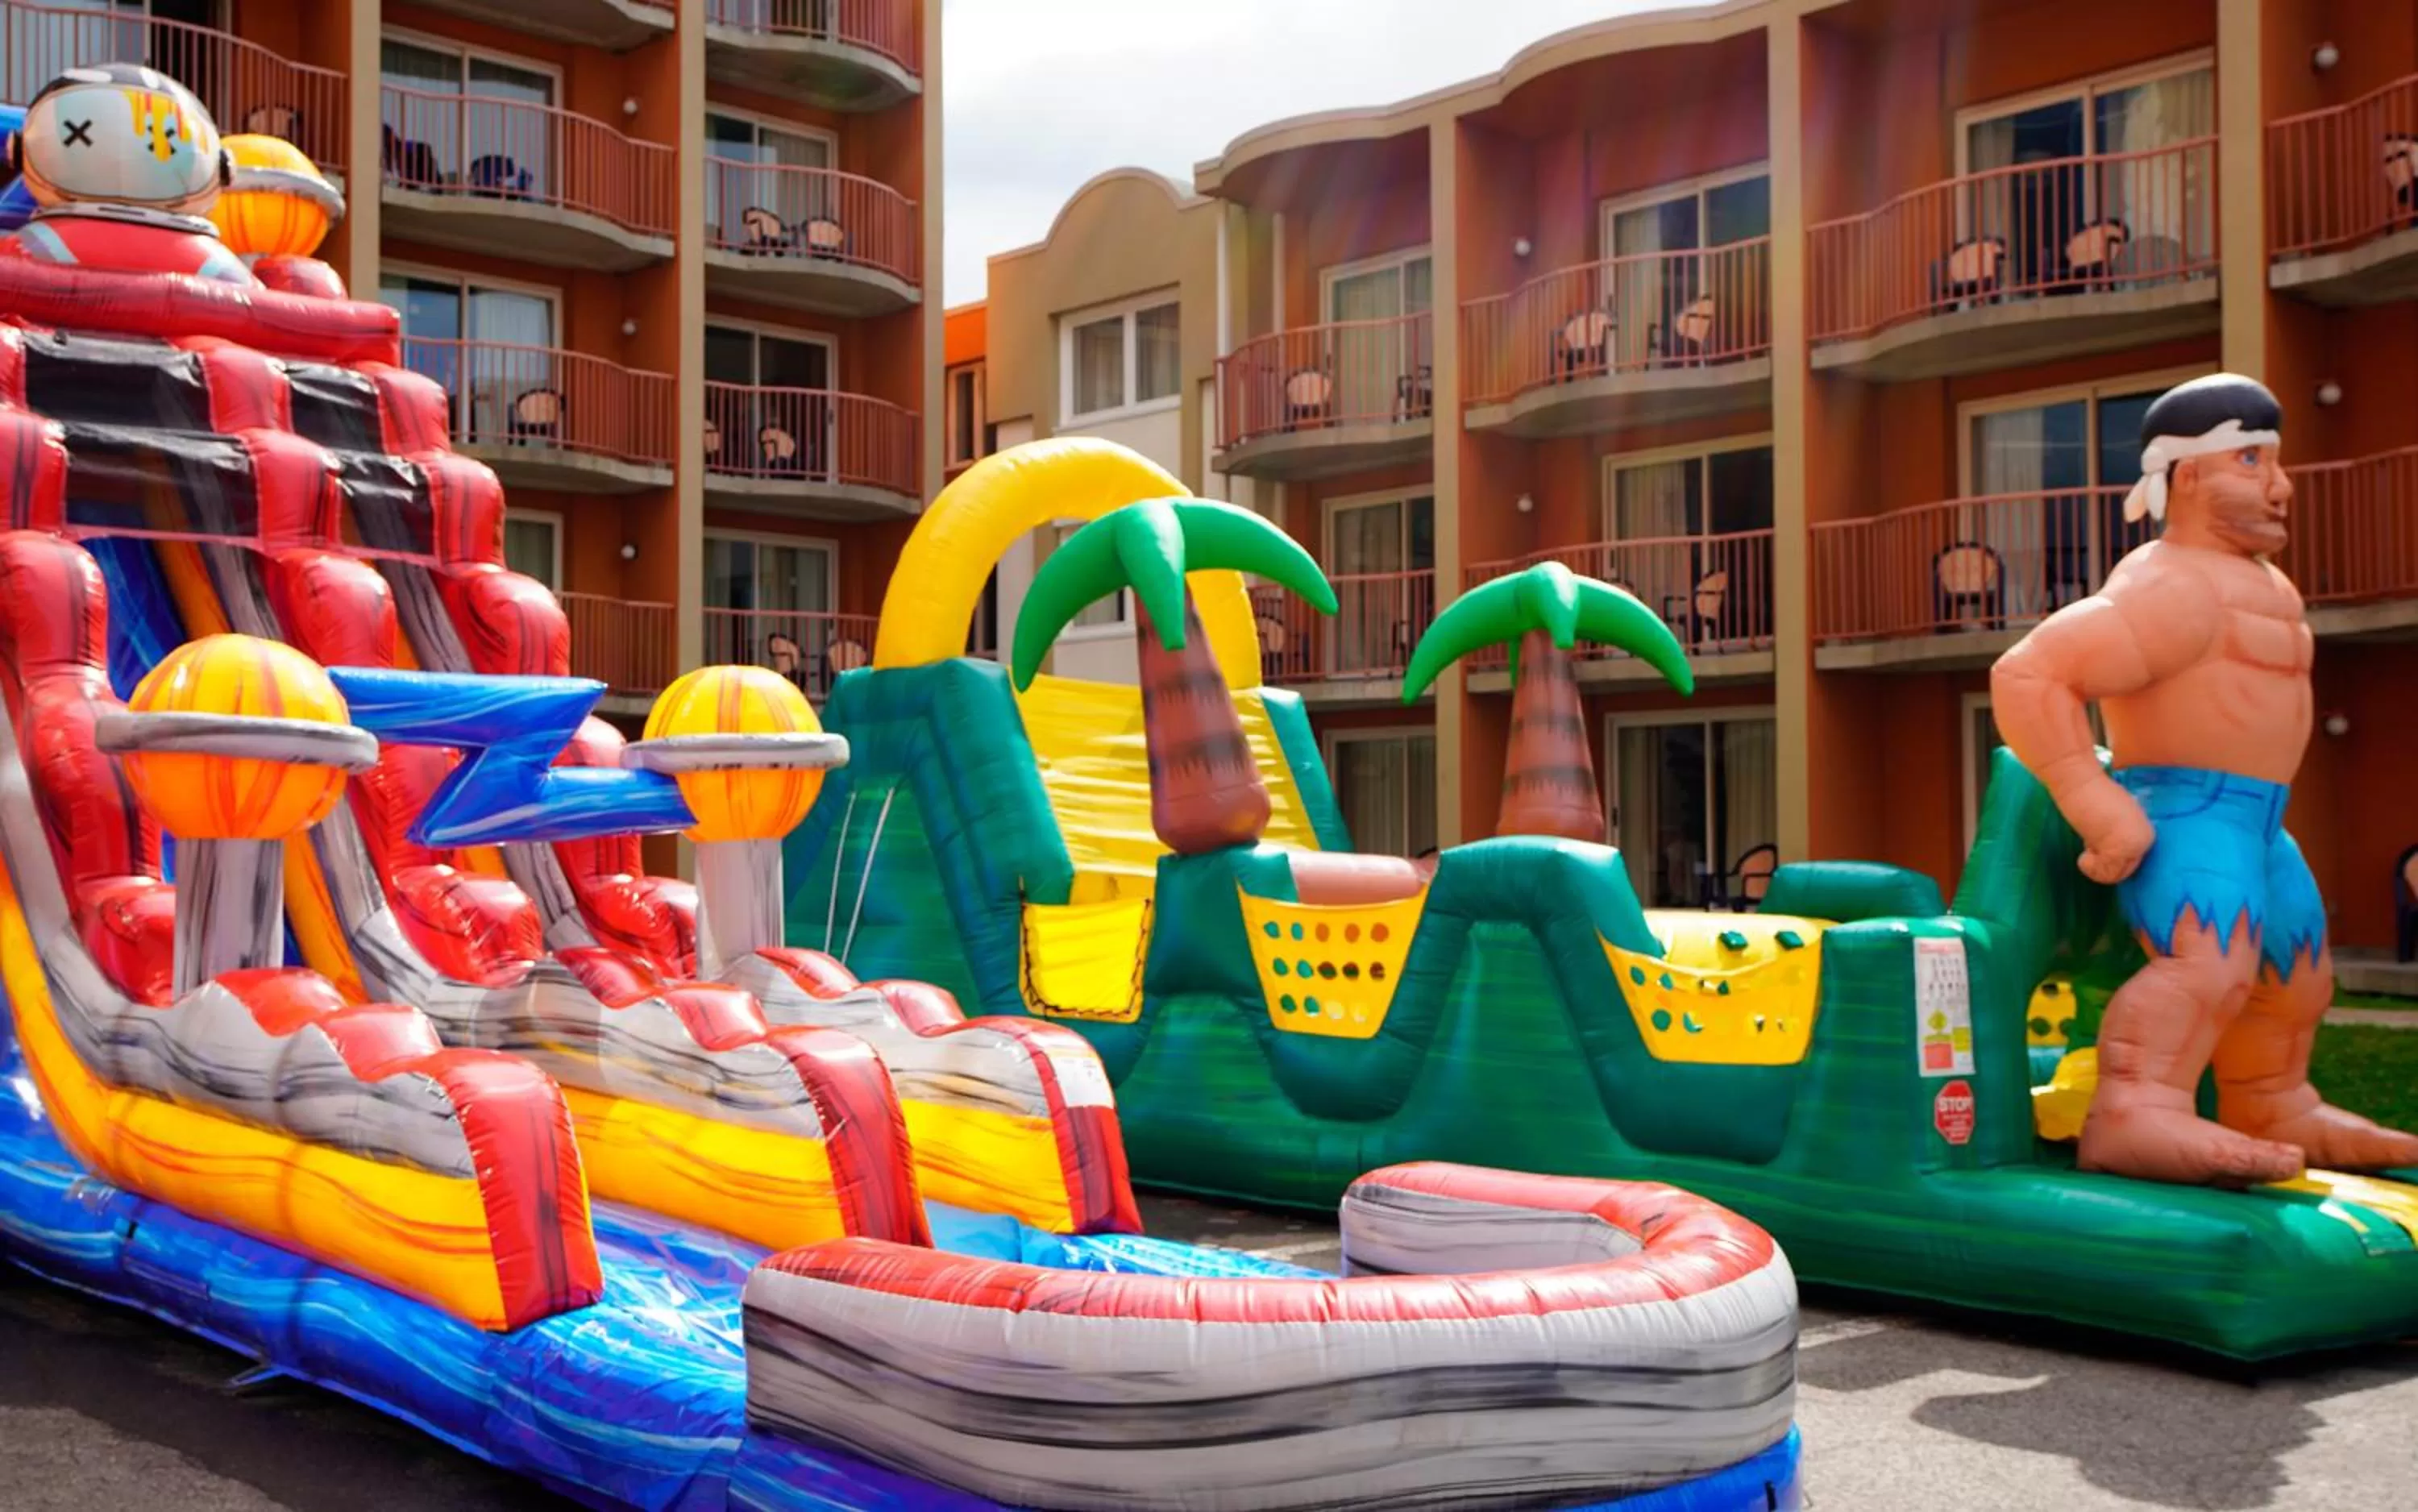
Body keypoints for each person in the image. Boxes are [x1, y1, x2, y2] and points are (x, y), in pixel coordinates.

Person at [1991, 372, 2418, 1186]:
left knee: (2297, 976)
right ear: (2188, 475)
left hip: (2262, 820)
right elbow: (2030, 674)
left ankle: (2273, 1101)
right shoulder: (2169, 583)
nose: (2281, 486)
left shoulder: (2266, 585)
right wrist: (2095, 800)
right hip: (2188, 807)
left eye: (2276, 461)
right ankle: (2134, 1109)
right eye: (2251, 460)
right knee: (2208, 965)